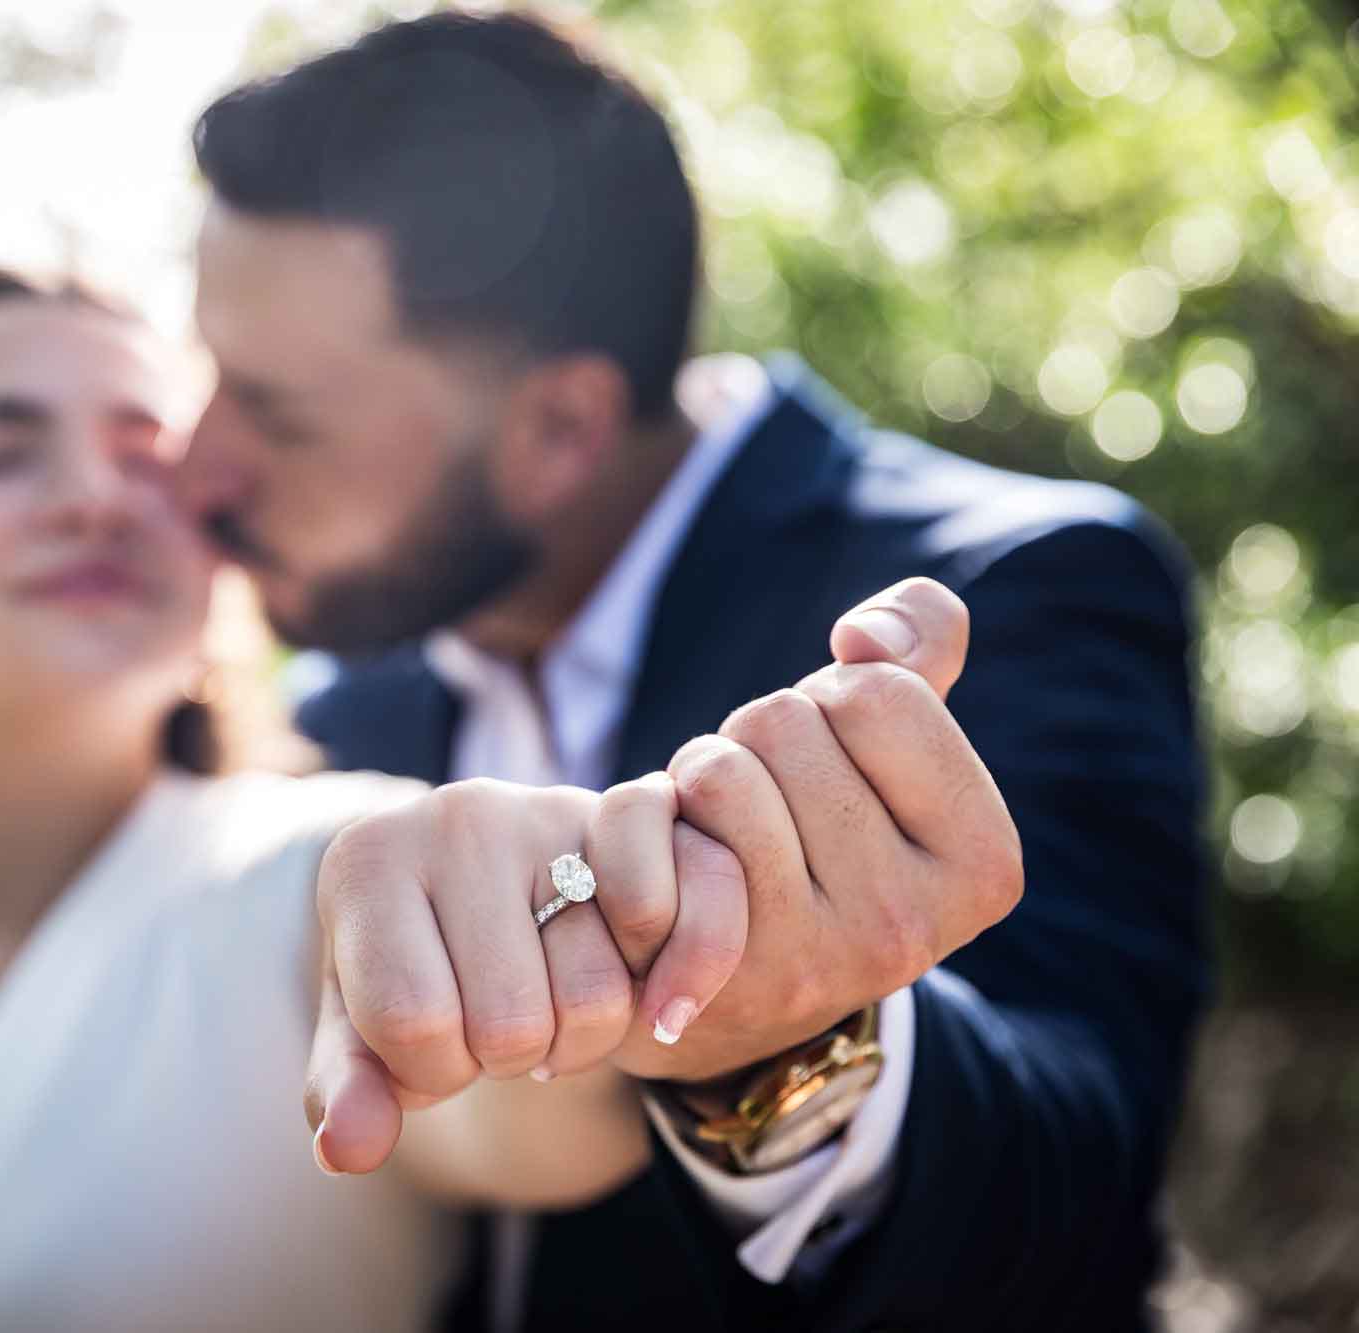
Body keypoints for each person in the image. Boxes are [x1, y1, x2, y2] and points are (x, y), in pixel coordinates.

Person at [178, 9, 1210, 1330]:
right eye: (208, 376)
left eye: (276, 413)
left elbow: (1078, 1177)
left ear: (561, 426)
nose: (192, 467)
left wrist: (786, 1041)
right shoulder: (346, 717)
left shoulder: (1019, 588)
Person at [0, 270, 774, 1331]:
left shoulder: (335, 891)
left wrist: (611, 939)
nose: (92, 498)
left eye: (151, 458)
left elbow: (556, 1108)